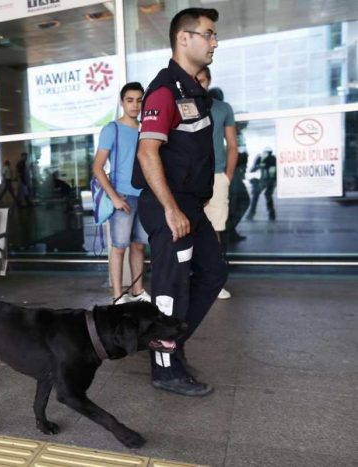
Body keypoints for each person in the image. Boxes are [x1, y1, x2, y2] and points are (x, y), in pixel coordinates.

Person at [132, 7, 227, 397]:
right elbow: (147, 153)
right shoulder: (164, 90)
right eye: (208, 34)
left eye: (214, 35)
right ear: (183, 39)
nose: (214, 42)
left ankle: (169, 341)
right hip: (167, 205)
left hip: (189, 205)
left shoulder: (194, 91)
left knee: (213, 272)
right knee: (171, 287)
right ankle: (165, 368)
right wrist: (171, 209)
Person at [93, 82, 150, 305]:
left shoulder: (146, 130)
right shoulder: (112, 129)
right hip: (122, 197)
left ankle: (138, 291)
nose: (135, 105)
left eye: (139, 100)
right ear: (122, 102)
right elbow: (97, 166)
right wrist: (115, 197)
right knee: (119, 248)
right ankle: (117, 296)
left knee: (139, 245)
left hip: (144, 195)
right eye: (130, 100)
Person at [195, 68, 237, 300]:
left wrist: (227, 176)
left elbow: (232, 144)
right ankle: (193, 280)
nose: (198, 84)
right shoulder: (183, 108)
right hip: (190, 180)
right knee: (188, 230)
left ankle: (215, 283)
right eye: (195, 80)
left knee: (215, 232)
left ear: (208, 81)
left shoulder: (222, 108)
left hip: (217, 177)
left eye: (202, 80)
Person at [227, 149, 250, 242]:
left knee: (237, 201)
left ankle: (230, 230)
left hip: (231, 171)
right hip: (231, 172)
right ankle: (228, 229)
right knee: (238, 200)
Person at [247, 148, 277, 220]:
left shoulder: (270, 159)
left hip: (267, 180)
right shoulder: (264, 158)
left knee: (260, 195)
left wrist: (259, 165)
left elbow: (253, 170)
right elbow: (252, 170)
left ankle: (252, 213)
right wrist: (258, 164)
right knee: (266, 195)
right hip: (268, 180)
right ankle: (271, 214)